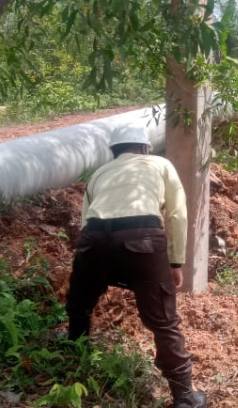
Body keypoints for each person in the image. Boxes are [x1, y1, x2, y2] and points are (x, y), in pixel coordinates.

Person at [65, 125, 206, 408]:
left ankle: (74, 355)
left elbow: (85, 222)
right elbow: (177, 214)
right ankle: (184, 396)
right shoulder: (161, 164)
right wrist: (175, 262)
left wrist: (94, 264)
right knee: (163, 321)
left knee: (79, 302)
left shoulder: (99, 174)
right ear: (144, 148)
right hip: (142, 239)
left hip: (94, 240)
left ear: (114, 152)